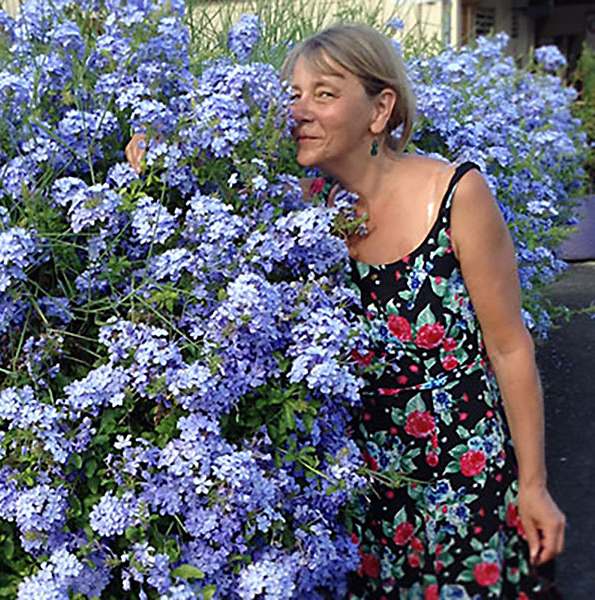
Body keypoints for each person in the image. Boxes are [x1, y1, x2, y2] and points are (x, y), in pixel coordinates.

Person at [126, 22, 565, 599]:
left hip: (463, 475)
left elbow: (509, 348)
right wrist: (157, 168)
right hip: (351, 487)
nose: (299, 111)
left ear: (380, 110)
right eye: (292, 95)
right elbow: (206, 229)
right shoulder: (297, 207)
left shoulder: (456, 193)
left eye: (324, 94)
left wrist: (533, 484)